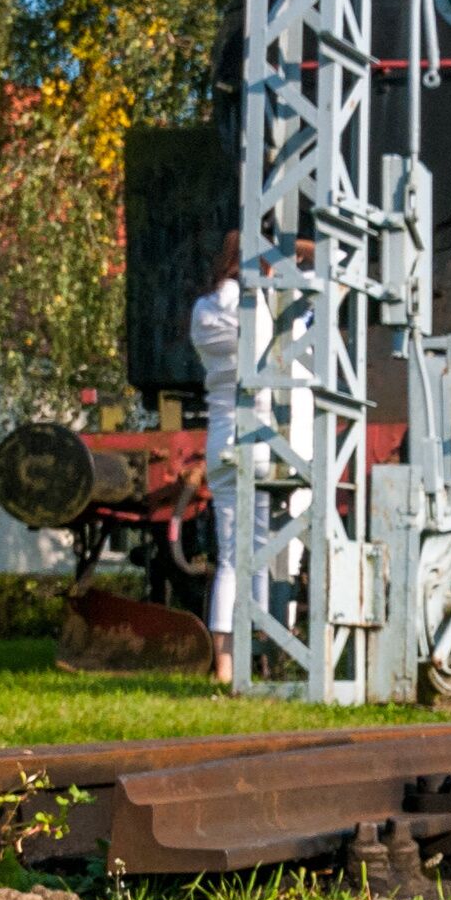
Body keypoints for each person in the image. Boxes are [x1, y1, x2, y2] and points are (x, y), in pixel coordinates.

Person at [189, 240, 243, 682]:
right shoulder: (266, 310)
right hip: (267, 438)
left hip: (221, 436)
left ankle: (224, 666)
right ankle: (267, 654)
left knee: (230, 557)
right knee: (276, 550)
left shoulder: (203, 312)